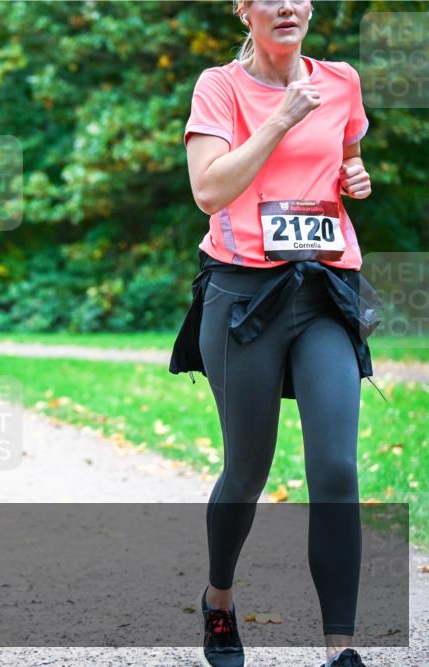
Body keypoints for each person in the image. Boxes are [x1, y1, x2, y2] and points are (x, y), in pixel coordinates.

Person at [169, 1, 379, 666]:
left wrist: (354, 176)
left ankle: (340, 650)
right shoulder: (219, 87)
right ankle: (220, 598)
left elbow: (347, 156)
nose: (286, 5)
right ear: (244, 11)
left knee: (337, 467)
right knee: (247, 470)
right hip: (243, 298)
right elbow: (209, 191)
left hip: (324, 290)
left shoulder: (340, 80)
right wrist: (281, 117)